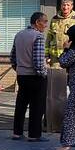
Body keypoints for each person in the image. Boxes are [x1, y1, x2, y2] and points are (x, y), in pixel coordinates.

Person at [10, 12, 48, 141]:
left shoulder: (19, 35)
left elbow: (13, 56)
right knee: (37, 106)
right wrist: (43, 74)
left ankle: (17, 132)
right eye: (44, 22)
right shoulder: (38, 36)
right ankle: (34, 135)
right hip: (35, 76)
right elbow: (38, 61)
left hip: (21, 75)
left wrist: (19, 68)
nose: (46, 25)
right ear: (37, 22)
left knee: (21, 104)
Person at [47, 0, 75, 67]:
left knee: (71, 76)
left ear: (72, 6)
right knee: (56, 77)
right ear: (61, 6)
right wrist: (46, 55)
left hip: (71, 56)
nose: (65, 7)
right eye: (63, 5)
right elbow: (49, 38)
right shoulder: (54, 19)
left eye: (68, 5)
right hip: (55, 58)